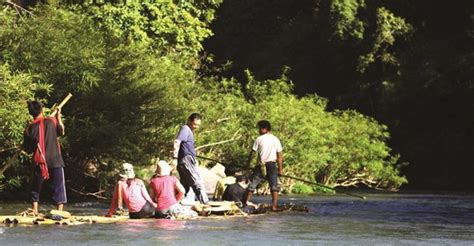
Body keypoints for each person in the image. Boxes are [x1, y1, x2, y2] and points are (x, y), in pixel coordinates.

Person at [22, 101, 67, 216]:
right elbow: (61, 131)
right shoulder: (51, 121)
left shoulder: (30, 128)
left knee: (35, 187)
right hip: (55, 159)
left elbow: (27, 148)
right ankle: (59, 212)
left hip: (39, 161)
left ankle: (34, 210)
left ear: (31, 113)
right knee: (58, 187)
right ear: (41, 110)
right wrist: (59, 117)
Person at [243, 120, 283, 211]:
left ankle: (245, 203)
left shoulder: (259, 139)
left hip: (261, 165)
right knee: (274, 186)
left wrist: (247, 164)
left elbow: (253, 153)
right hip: (271, 165)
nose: (259, 130)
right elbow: (279, 156)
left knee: (252, 185)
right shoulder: (275, 139)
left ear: (264, 129)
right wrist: (280, 170)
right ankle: (274, 206)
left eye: (260, 128)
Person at [172, 113, 209, 205]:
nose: (196, 127)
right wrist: (174, 157)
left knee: (185, 183)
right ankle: (205, 203)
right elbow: (177, 142)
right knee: (197, 181)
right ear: (189, 121)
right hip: (186, 159)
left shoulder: (188, 130)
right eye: (194, 124)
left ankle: (178, 202)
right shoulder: (185, 129)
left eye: (198, 125)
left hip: (184, 159)